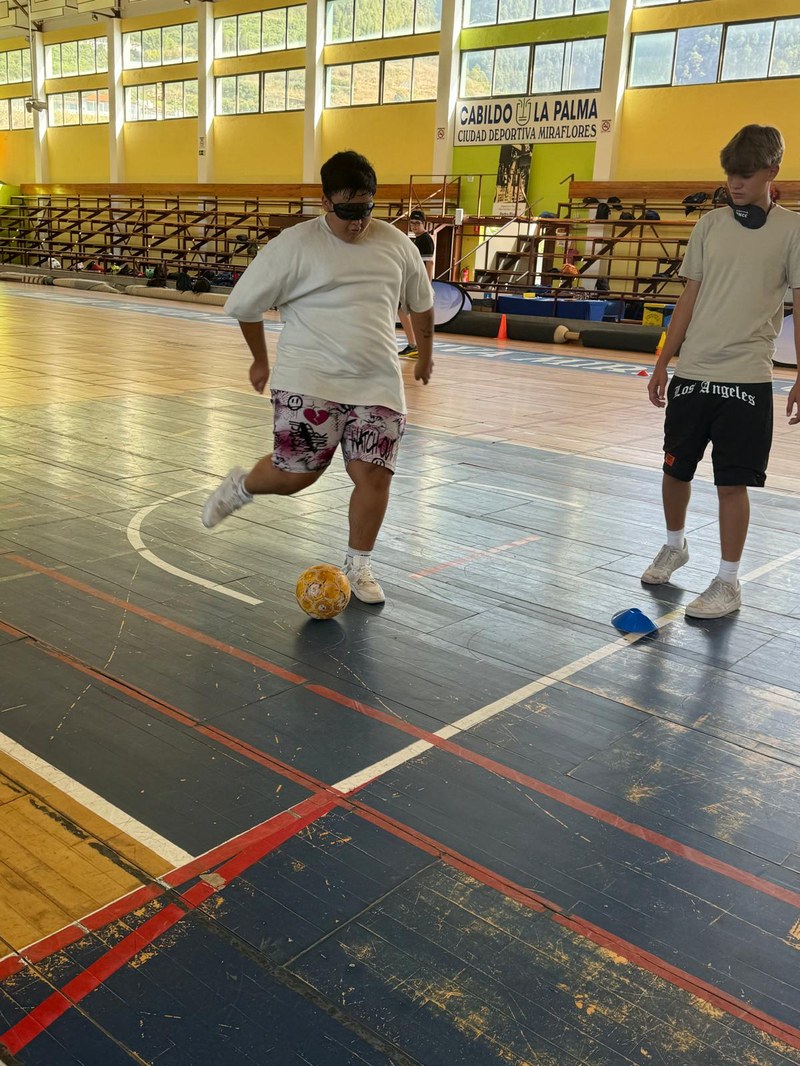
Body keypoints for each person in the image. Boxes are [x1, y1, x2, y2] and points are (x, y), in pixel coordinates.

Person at [201, 150, 434, 605]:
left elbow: (421, 303)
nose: (357, 221)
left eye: (366, 209)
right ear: (326, 202)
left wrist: (425, 356)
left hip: (378, 382)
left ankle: (359, 565)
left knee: (374, 475)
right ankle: (242, 486)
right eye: (347, 210)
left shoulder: (396, 245)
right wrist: (260, 360)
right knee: (296, 477)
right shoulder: (293, 245)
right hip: (309, 379)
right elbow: (245, 306)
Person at [643, 124, 800, 618]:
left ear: (773, 172)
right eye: (730, 174)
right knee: (675, 470)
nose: (735, 184)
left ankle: (728, 583)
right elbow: (688, 297)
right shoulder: (709, 225)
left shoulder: (792, 230)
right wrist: (664, 361)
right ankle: (675, 545)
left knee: (732, 483)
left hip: (748, 378)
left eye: (746, 175)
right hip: (694, 374)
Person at [398, 209, 435, 358]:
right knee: (403, 310)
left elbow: (429, 263)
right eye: (412, 223)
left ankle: (415, 345)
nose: (414, 226)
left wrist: (426, 283)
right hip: (412, 281)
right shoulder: (416, 239)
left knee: (405, 311)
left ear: (423, 224)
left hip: (418, 283)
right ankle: (414, 345)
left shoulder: (425, 240)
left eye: (417, 223)